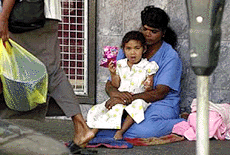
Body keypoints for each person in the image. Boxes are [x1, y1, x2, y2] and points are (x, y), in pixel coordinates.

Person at [0, 0, 96, 154]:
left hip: (27, 16)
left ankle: (82, 127)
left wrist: (2, 19)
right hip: (44, 15)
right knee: (51, 71)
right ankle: (81, 128)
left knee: (51, 73)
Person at [100, 5, 185, 139]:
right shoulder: (128, 49)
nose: (147, 34)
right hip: (129, 101)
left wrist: (125, 99)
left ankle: (183, 122)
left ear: (163, 33)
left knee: (141, 131)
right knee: (99, 120)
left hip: (160, 103)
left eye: (153, 31)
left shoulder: (170, 56)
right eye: (145, 29)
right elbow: (111, 82)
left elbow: (160, 92)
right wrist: (115, 94)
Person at [87, 31, 159, 140]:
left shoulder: (148, 66)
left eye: (137, 48)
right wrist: (112, 73)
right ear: (123, 50)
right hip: (120, 96)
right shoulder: (120, 64)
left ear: (144, 49)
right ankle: (94, 130)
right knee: (112, 107)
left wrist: (148, 84)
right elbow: (116, 84)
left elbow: (149, 87)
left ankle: (121, 131)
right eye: (128, 49)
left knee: (138, 105)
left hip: (137, 97)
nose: (132, 53)